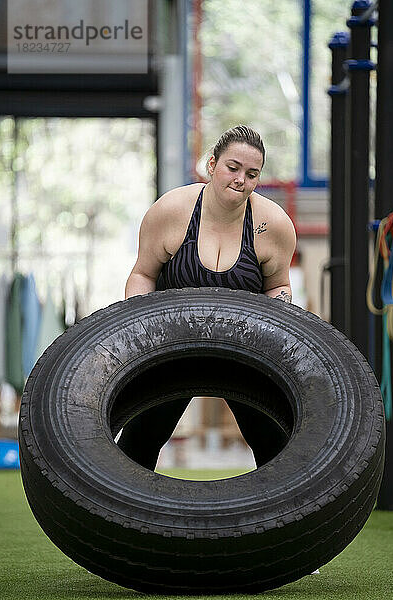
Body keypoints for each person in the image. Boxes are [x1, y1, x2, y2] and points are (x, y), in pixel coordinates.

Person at [119, 124, 296, 471]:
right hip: (173, 347)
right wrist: (142, 337)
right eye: (233, 168)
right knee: (140, 438)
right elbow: (142, 275)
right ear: (212, 165)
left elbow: (279, 286)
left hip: (242, 352)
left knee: (274, 441)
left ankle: (290, 520)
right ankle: (116, 518)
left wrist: (276, 331)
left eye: (252, 174)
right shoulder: (172, 210)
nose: (240, 180)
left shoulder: (273, 224)